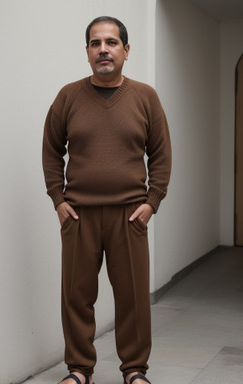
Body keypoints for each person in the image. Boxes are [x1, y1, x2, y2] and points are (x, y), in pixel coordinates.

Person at [42, 15, 171, 384]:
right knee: (77, 298)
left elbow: (160, 153)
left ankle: (134, 370)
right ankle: (79, 370)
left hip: (130, 215)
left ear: (126, 51)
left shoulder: (145, 97)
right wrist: (58, 200)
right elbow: (51, 150)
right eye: (96, 43)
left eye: (111, 43)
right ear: (87, 52)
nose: (104, 50)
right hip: (78, 215)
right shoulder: (68, 96)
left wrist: (152, 201)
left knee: (132, 299)